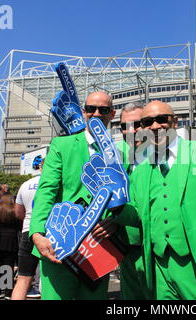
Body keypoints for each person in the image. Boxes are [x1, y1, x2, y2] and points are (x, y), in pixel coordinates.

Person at [115, 100, 196, 300]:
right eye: (148, 122)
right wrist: (115, 204)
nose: (155, 126)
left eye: (161, 119)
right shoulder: (142, 169)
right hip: (158, 265)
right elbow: (137, 213)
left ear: (175, 122)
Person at [30, 91, 117, 300]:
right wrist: (37, 233)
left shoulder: (120, 151)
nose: (96, 114)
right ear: (83, 112)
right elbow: (46, 190)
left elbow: (126, 196)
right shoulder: (62, 145)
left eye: (103, 109)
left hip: (98, 247)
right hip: (58, 243)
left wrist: (116, 221)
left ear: (112, 114)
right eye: (91, 109)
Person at [116, 101, 151, 299]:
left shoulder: (163, 157)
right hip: (126, 245)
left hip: (155, 247)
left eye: (137, 124)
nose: (132, 131)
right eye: (125, 126)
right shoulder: (119, 157)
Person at [11, 159, 45, 300]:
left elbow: (18, 213)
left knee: (23, 279)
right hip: (48, 231)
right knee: (50, 279)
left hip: (28, 230)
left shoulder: (26, 184)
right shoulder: (56, 182)